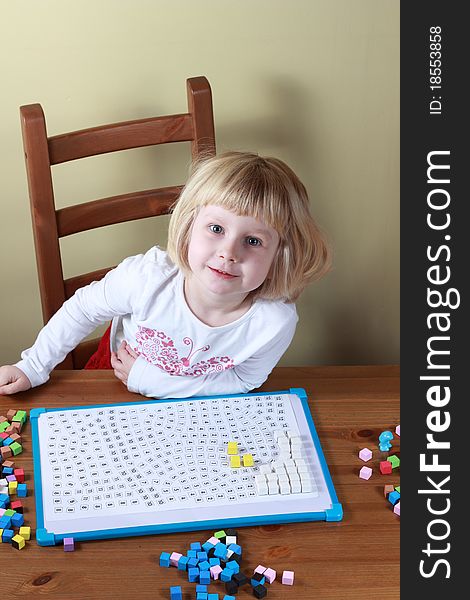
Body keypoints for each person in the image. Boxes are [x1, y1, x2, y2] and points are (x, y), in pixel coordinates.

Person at [0, 151, 331, 398]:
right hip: (114, 381)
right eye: (216, 228)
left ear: (280, 254)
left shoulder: (273, 322)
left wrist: (157, 381)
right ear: (188, 227)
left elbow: (244, 381)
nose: (229, 252)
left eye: (253, 241)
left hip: (197, 409)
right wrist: (32, 367)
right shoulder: (147, 279)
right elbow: (82, 309)